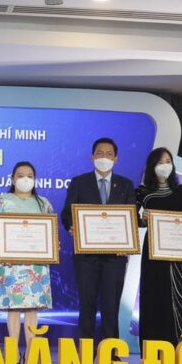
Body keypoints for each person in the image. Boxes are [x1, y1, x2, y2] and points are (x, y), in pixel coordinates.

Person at [61, 137, 135, 343]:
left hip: (115, 257)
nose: (104, 157)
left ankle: (111, 351)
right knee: (87, 304)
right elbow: (67, 212)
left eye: (109, 154)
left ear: (116, 158)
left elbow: (131, 217)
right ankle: (86, 351)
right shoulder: (79, 182)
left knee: (111, 305)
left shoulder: (126, 185)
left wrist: (128, 241)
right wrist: (71, 225)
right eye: (100, 153)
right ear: (92, 156)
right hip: (86, 256)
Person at [0, 161, 54, 364]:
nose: (25, 179)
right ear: (13, 179)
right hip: (10, 263)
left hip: (35, 264)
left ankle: (30, 353)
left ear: (35, 179)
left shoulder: (43, 203)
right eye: (20, 175)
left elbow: (51, 232)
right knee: (12, 308)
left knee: (31, 309)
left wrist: (52, 245)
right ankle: (12, 353)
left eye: (30, 175)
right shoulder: (3, 201)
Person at [134, 147, 182, 347]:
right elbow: (130, 219)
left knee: (179, 295)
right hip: (153, 251)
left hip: (178, 253)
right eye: (160, 162)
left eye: (168, 161)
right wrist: (142, 220)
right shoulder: (142, 192)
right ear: (152, 166)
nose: (165, 165)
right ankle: (154, 351)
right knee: (154, 295)